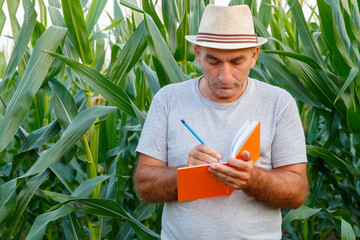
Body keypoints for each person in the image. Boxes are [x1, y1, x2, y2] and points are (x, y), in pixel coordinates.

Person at [135, 4, 308, 239]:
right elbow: (145, 187)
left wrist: (251, 179)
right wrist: (187, 174)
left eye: (237, 62)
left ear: (254, 55)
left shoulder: (278, 103)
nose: (225, 77)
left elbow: (297, 194)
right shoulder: (168, 100)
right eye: (213, 62)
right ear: (197, 53)